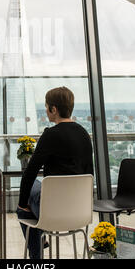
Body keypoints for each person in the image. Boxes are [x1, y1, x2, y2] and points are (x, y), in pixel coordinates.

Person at [16, 86, 93, 259]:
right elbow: (90, 173)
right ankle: (40, 241)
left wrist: (22, 203)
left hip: (51, 211)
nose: (46, 111)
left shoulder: (50, 135)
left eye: (46, 107)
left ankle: (37, 260)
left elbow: (30, 172)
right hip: (80, 211)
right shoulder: (84, 134)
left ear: (54, 109)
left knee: (23, 205)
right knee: (35, 188)